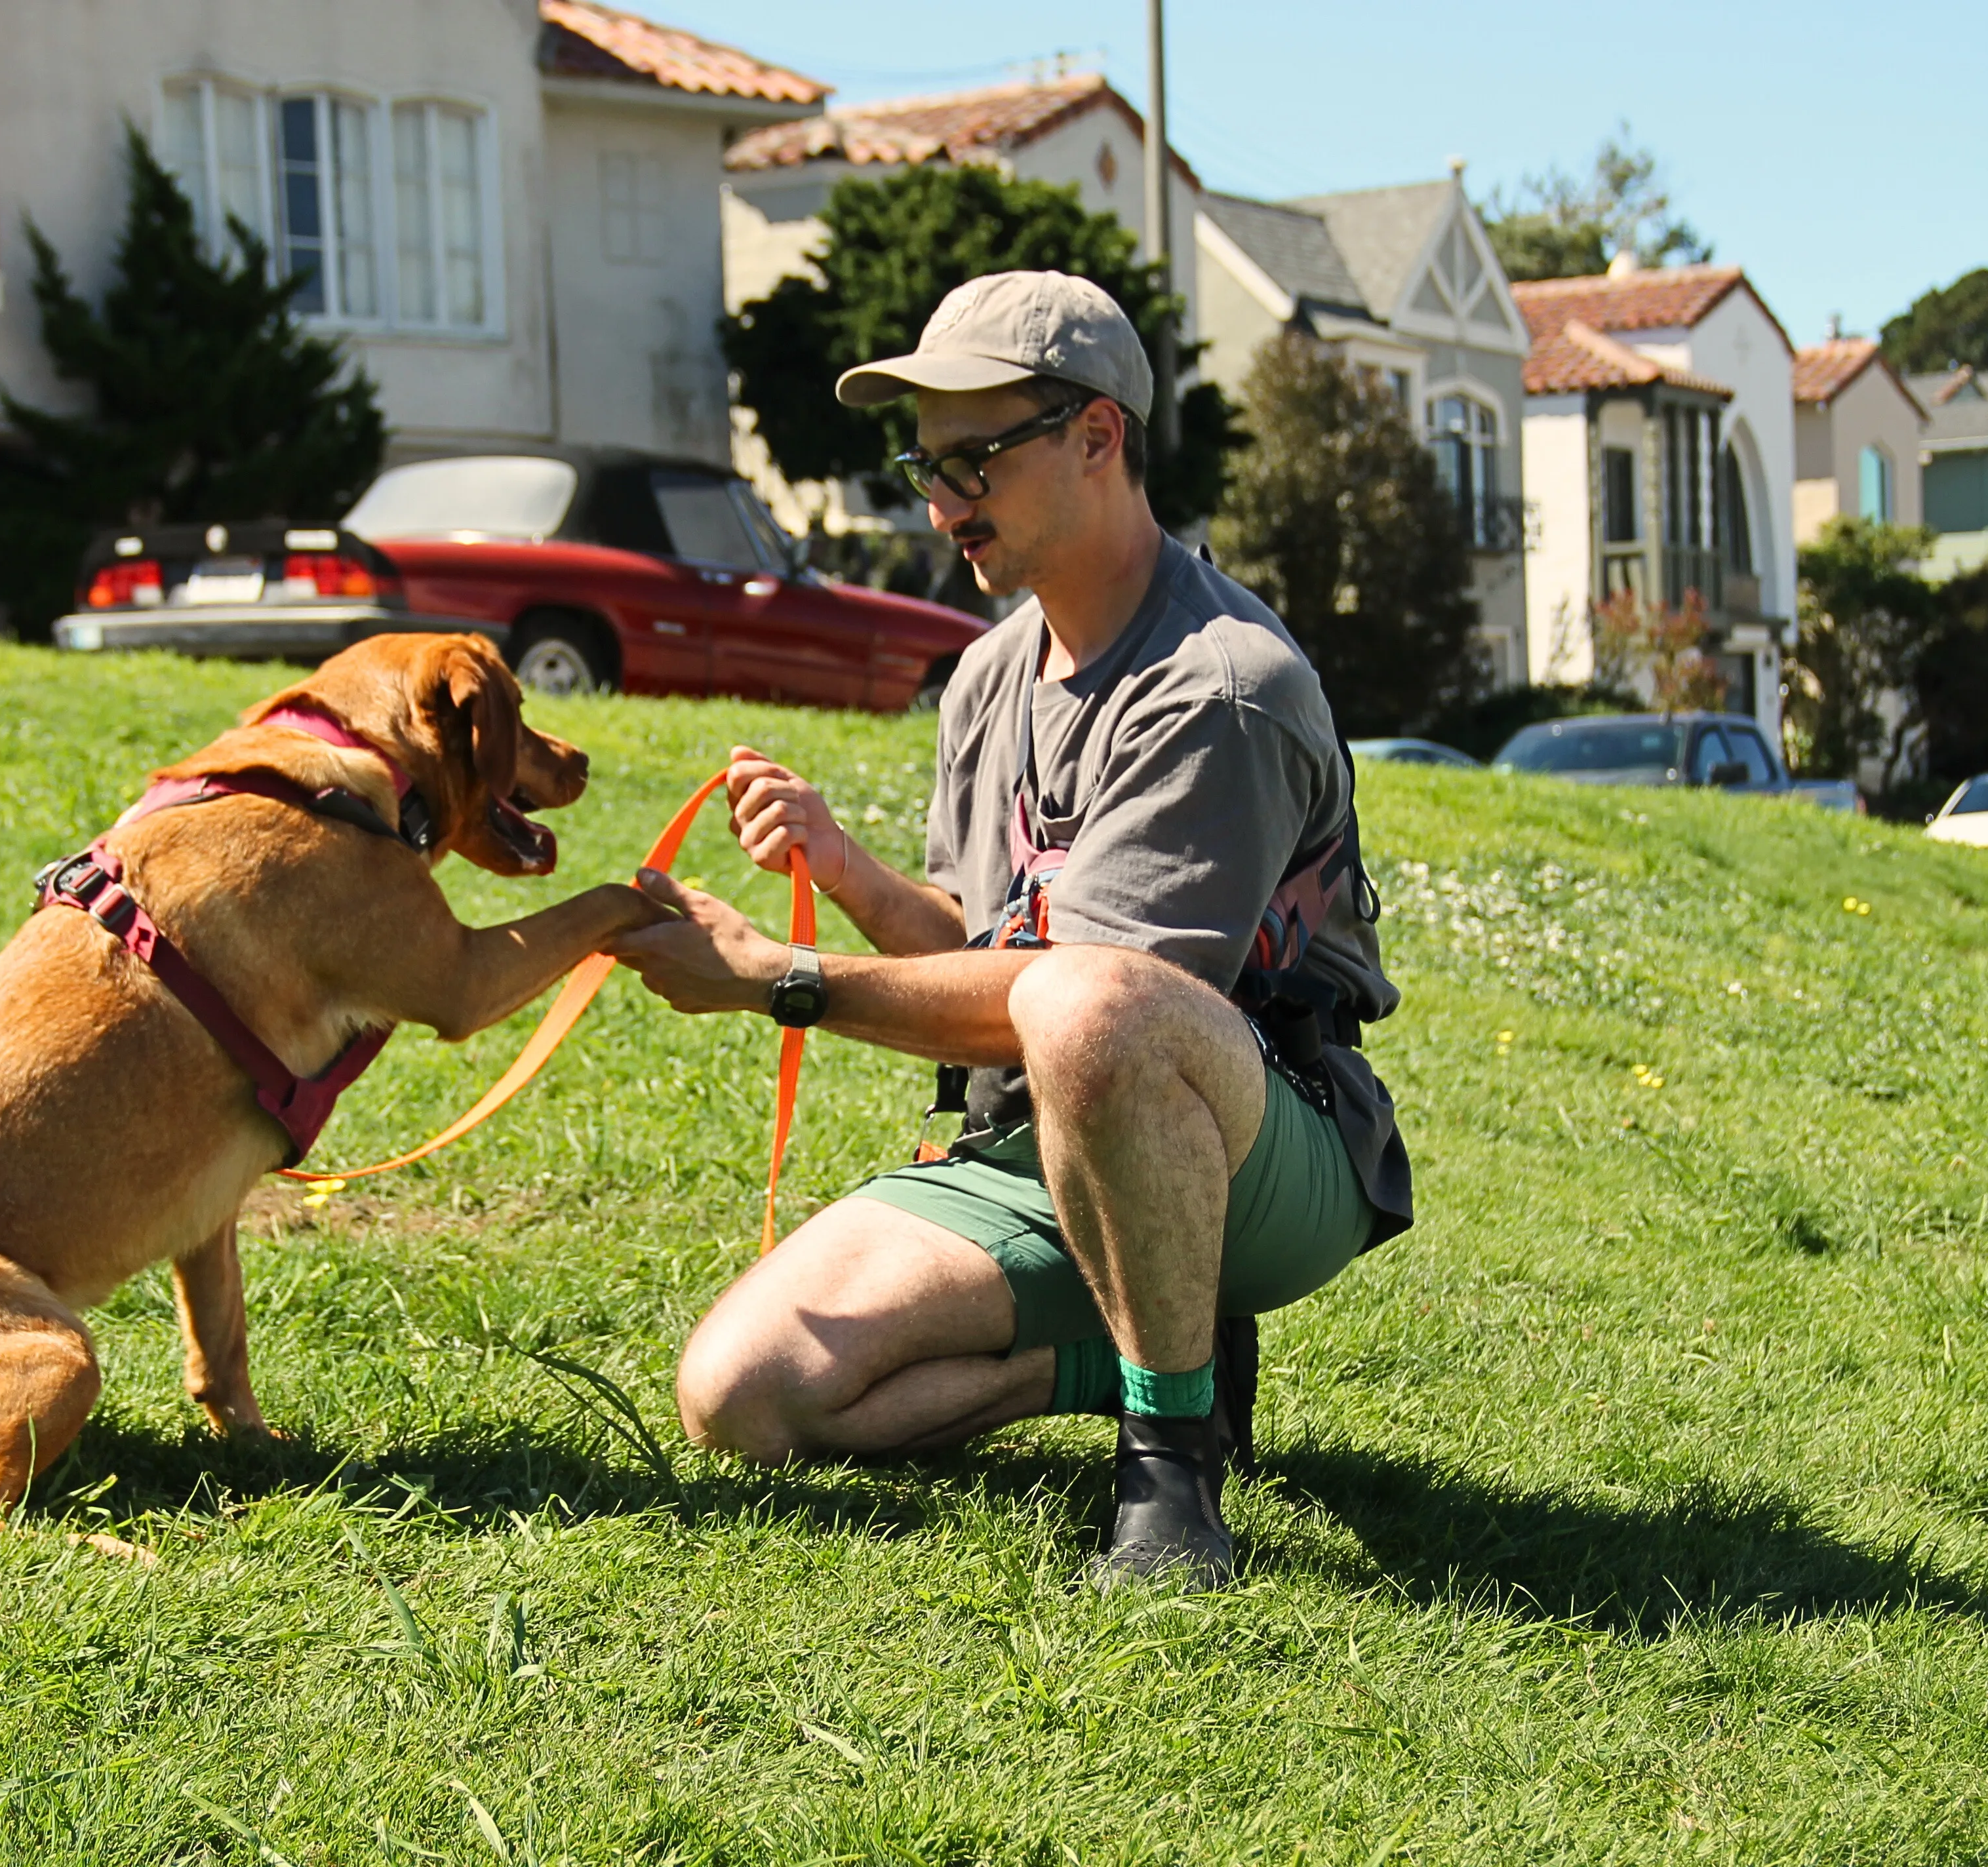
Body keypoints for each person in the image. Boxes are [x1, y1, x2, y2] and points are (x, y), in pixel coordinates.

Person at [605, 271, 1413, 1590]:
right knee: (741, 1396)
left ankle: (1171, 1465)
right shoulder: (989, 673)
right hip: (1040, 1128)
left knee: (1095, 1008)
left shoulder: (1220, 690)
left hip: (1259, 1132)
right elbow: (986, 952)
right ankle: (1143, 1342)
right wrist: (840, 861)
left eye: (975, 457)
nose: (940, 504)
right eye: (926, 461)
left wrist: (774, 981)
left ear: (1100, 438)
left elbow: (1095, 999)